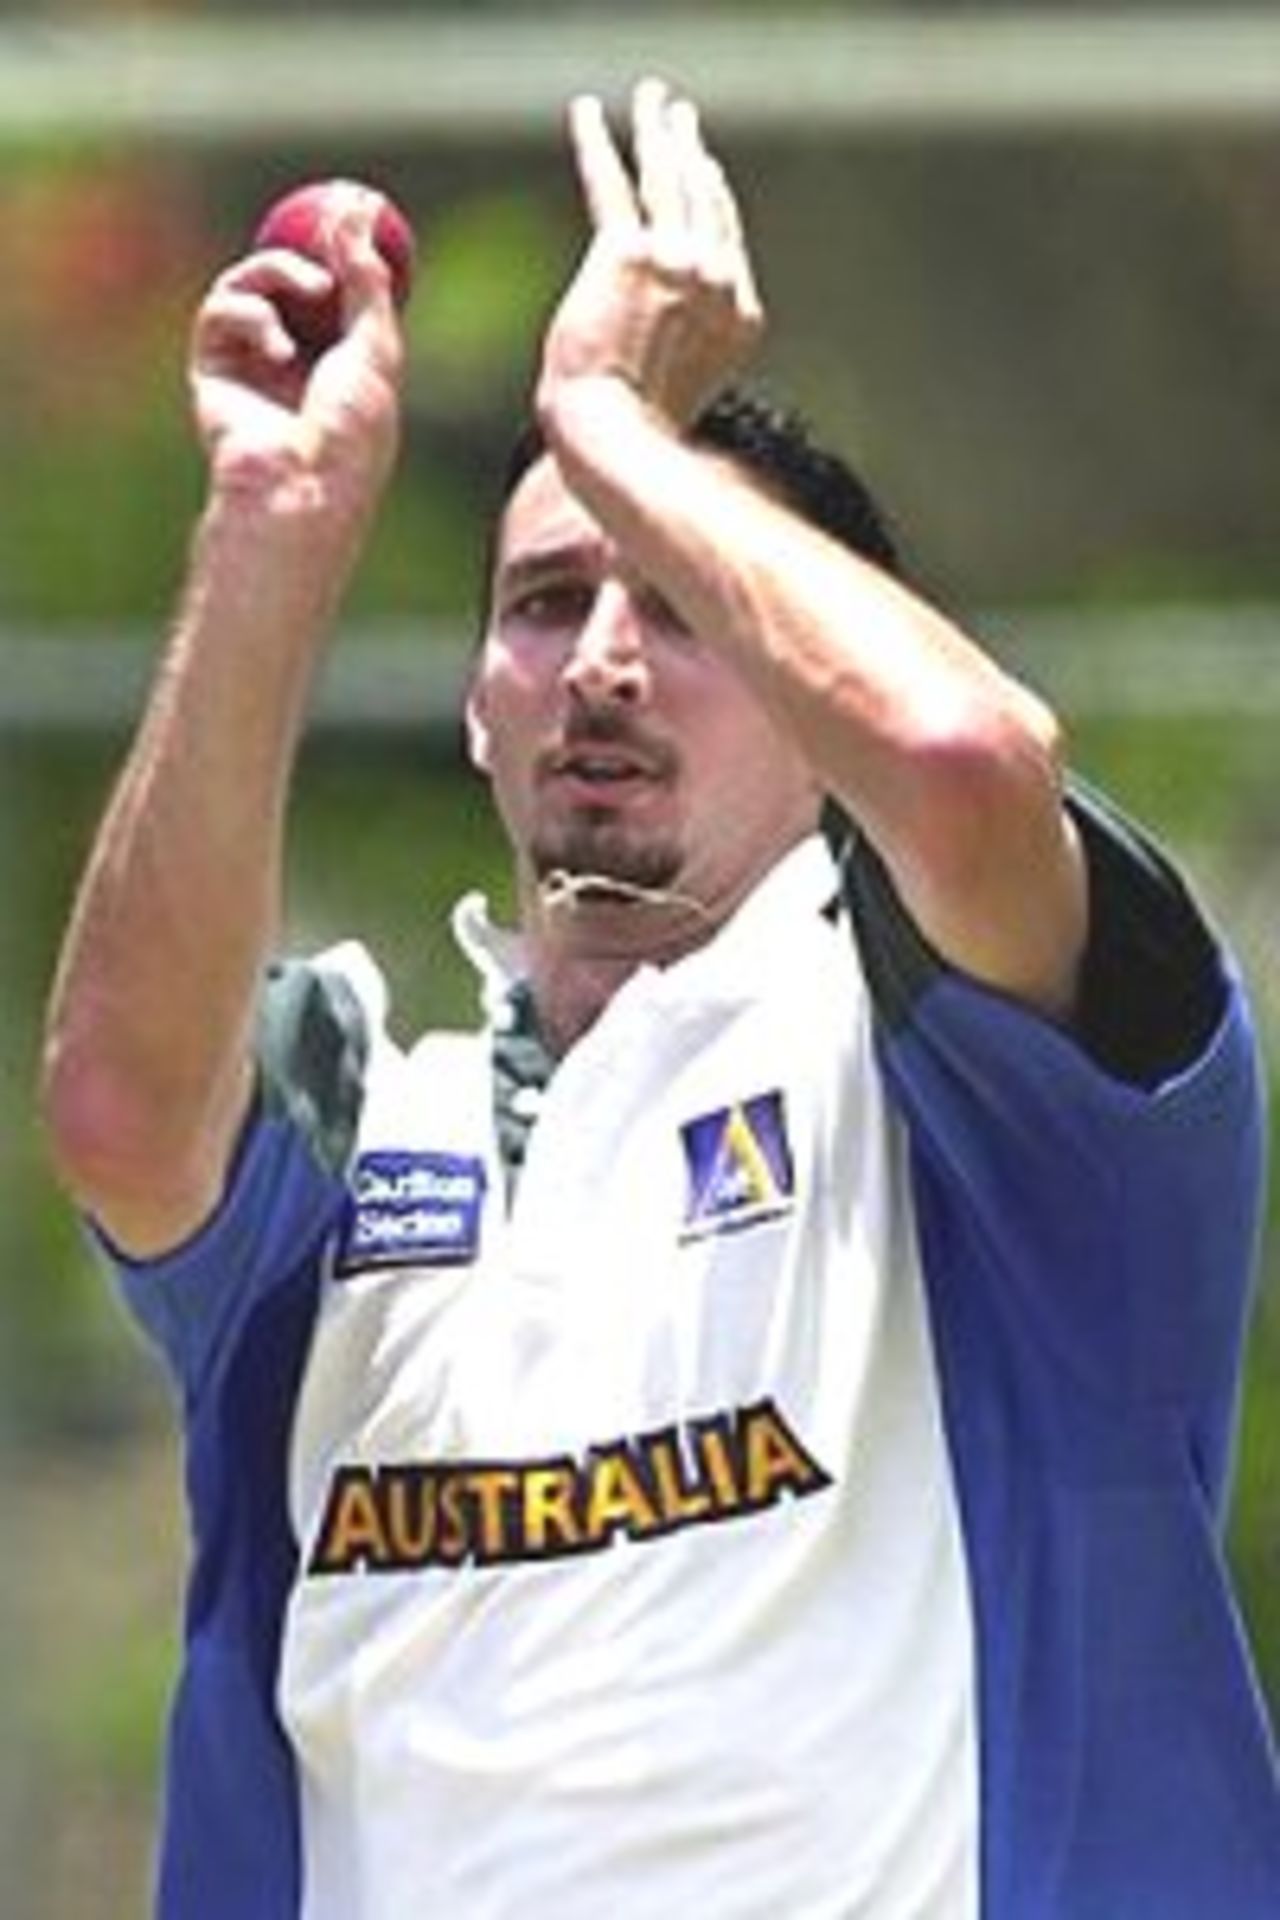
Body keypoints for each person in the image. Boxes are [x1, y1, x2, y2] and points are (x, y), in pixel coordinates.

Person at [39, 75, 1280, 1920]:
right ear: (476, 702)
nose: (603, 662)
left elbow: (955, 752)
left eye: (681, 606)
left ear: (809, 681)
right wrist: (276, 517)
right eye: (544, 605)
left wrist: (608, 415)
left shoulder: (992, 1096)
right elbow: (120, 1115)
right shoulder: (363, 1105)